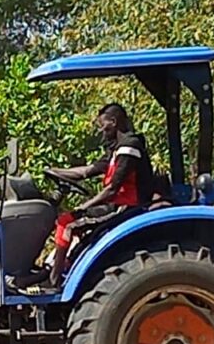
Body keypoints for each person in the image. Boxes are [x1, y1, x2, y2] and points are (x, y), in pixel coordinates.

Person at [45, 103, 154, 288]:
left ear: (113, 122)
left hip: (126, 207)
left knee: (68, 223)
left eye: (103, 125)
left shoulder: (130, 147)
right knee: (67, 221)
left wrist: (84, 207)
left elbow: (112, 189)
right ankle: (53, 271)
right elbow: (86, 171)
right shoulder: (116, 150)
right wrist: (54, 171)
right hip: (116, 204)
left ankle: (53, 281)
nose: (102, 130)